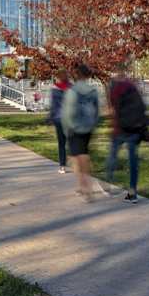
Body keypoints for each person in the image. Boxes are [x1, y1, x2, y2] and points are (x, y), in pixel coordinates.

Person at [107, 66, 149, 203]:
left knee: (113, 154)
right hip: (135, 129)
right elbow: (143, 107)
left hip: (120, 129)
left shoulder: (114, 88)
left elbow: (112, 110)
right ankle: (132, 193)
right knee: (133, 162)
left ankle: (110, 179)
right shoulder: (133, 86)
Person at [61, 63, 100, 199]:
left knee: (76, 158)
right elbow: (97, 111)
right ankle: (83, 186)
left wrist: (66, 129)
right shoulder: (93, 91)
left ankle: (85, 187)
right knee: (83, 154)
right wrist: (94, 123)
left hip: (75, 127)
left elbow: (68, 112)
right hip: (88, 126)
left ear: (76, 75)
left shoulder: (72, 91)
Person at [47, 70, 71, 173]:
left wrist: (49, 117)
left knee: (61, 143)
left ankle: (62, 166)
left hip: (58, 118)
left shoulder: (54, 89)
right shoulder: (71, 87)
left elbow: (53, 105)